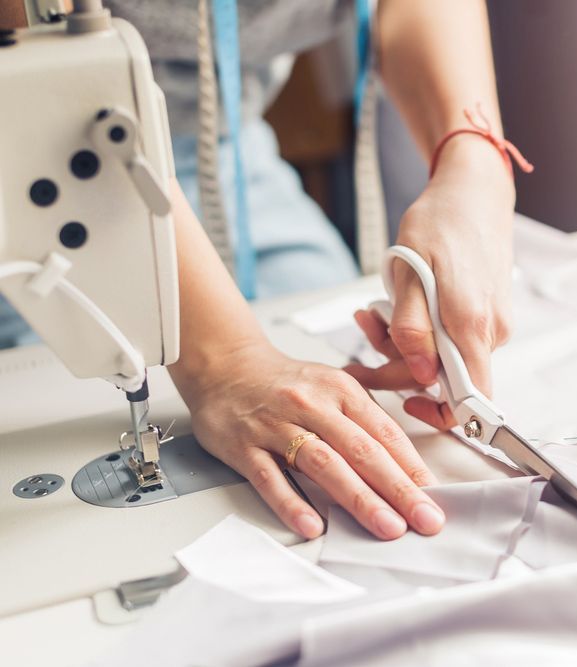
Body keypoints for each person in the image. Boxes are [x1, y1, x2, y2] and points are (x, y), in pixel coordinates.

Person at [0, 0, 521, 541]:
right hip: (26, 155)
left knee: (336, 363)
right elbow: (50, 87)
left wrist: (473, 163)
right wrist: (226, 361)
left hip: (230, 154)